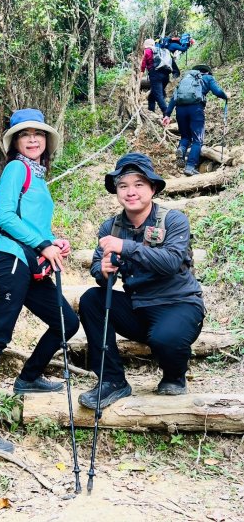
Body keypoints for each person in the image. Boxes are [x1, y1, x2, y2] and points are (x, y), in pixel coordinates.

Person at [0, 108, 79, 452]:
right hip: (10, 261)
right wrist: (43, 243)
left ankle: (28, 378)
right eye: (25, 134)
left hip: (29, 264)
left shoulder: (38, 176)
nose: (33, 139)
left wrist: (52, 241)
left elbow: (33, 225)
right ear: (15, 142)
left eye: (39, 134)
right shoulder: (16, 168)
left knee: (66, 321)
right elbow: (4, 216)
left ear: (46, 142)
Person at [78, 152, 205, 410]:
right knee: (91, 300)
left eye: (138, 184)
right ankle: (112, 380)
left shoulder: (173, 220)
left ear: (153, 188)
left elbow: (170, 261)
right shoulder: (110, 228)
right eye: (123, 185)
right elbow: (98, 271)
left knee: (165, 337)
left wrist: (125, 247)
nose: (130, 191)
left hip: (178, 304)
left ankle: (174, 375)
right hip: (138, 308)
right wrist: (103, 271)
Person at [162, 64, 229, 176]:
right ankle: (190, 167)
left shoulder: (185, 79)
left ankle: (182, 149)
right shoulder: (207, 78)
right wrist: (226, 96)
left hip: (180, 109)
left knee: (185, 136)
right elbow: (217, 92)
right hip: (196, 109)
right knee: (197, 140)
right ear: (207, 72)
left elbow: (174, 97)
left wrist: (167, 115)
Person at [140, 38, 180, 116]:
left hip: (155, 75)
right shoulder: (163, 51)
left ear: (145, 45)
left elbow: (142, 67)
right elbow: (172, 63)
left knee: (158, 95)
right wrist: (175, 73)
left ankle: (166, 114)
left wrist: (139, 80)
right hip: (166, 75)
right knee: (152, 96)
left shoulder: (147, 51)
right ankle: (151, 112)